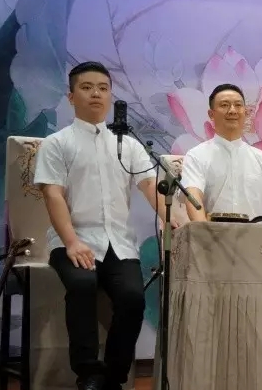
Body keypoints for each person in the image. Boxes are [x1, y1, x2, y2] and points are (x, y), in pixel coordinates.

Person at [34, 62, 172, 390]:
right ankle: (89, 373)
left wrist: (173, 219)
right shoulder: (57, 143)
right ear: (71, 96)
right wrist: (71, 242)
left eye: (103, 88)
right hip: (72, 240)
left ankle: (113, 377)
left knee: (133, 299)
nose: (96, 93)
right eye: (87, 87)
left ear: (110, 96)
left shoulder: (128, 145)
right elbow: (52, 195)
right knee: (82, 285)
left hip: (119, 244)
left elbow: (150, 187)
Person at [180, 83, 262, 220]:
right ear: (211, 114)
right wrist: (203, 232)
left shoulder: (261, 159)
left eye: (238, 105)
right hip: (213, 232)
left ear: (245, 112)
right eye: (224, 105)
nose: (232, 110)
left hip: (255, 233)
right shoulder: (196, 156)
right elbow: (193, 199)